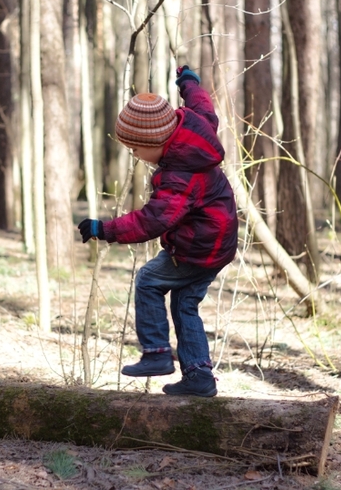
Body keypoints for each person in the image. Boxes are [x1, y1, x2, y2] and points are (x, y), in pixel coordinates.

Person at [77, 65, 238, 397]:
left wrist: (103, 229)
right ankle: (199, 377)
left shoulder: (180, 175)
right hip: (217, 243)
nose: (135, 156)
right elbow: (202, 103)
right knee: (184, 303)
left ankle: (157, 354)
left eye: (136, 149)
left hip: (200, 246)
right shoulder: (195, 128)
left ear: (156, 140)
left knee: (149, 280)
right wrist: (189, 82)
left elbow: (152, 221)